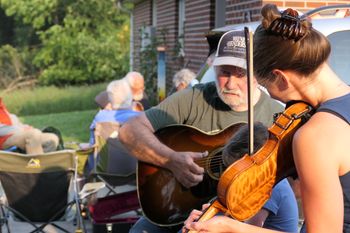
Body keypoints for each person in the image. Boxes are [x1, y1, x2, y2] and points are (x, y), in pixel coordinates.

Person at [184, 4, 350, 233]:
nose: (270, 96)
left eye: (264, 86)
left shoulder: (316, 136)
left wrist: (233, 228)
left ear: (280, 78)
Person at [119, 29, 284, 232]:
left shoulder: (278, 118)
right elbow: (129, 131)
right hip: (174, 211)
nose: (231, 83)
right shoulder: (195, 98)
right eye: (224, 72)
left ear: (259, 72)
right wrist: (170, 160)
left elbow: (293, 187)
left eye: (241, 73)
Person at [184, 122, 299, 233]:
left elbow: (249, 228)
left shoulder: (270, 187)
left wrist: (221, 225)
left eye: (237, 172)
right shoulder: (261, 183)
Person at [87, 79, 141, 172]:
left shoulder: (100, 117)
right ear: (130, 97)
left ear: (110, 99)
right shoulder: (142, 118)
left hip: (105, 174)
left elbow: (92, 145)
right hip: (137, 173)